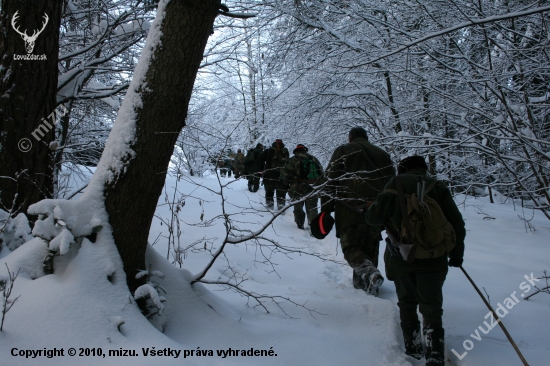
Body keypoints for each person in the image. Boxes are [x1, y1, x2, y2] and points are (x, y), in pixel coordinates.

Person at [365, 155, 465, 366]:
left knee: (407, 303)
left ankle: (413, 349)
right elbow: (457, 223)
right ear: (423, 169)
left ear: (402, 170)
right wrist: (456, 254)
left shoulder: (394, 184)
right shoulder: (437, 186)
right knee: (432, 306)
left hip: (402, 256)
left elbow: (373, 218)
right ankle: (435, 354)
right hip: (434, 257)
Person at [321, 127, 395, 295]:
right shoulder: (383, 154)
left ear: (350, 138)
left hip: (349, 208)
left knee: (351, 247)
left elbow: (331, 180)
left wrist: (325, 209)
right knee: (370, 245)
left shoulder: (343, 151)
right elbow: (392, 184)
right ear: (366, 138)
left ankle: (368, 273)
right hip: (375, 210)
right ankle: (368, 287)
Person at [282, 144, 324, 229]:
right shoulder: (314, 159)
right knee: (312, 207)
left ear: (296, 152)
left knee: (298, 206)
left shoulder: (293, 160)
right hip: (312, 187)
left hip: (297, 187)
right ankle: (313, 225)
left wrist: (286, 184)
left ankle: (300, 222)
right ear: (305, 150)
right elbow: (321, 173)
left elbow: (285, 174)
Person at [259, 139, 289, 209]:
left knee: (269, 192)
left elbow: (260, 159)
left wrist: (262, 170)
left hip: (269, 174)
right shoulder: (285, 151)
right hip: (281, 175)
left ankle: (270, 207)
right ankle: (281, 208)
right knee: (281, 193)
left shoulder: (269, 150)